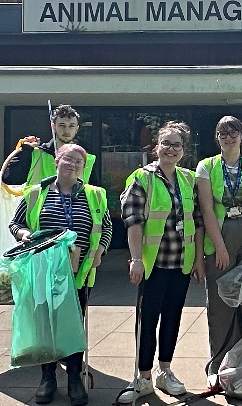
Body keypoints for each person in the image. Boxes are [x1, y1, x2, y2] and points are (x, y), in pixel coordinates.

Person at [9, 144, 112, 406]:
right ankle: (48, 378)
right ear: (57, 160)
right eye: (69, 159)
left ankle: (75, 379)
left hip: (78, 273)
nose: (74, 164)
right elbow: (15, 224)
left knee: (72, 327)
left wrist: (100, 251)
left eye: (79, 161)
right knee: (46, 325)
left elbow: (107, 227)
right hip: (43, 270)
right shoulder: (35, 193)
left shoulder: (96, 195)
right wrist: (24, 235)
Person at [117, 121, 205, 404]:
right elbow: (133, 221)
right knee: (148, 320)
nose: (171, 149)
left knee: (172, 318)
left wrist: (199, 260)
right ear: (156, 147)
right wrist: (136, 260)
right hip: (152, 265)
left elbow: (198, 222)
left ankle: (164, 371)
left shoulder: (189, 179)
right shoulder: (142, 178)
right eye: (166, 143)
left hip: (181, 263)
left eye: (177, 145)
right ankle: (143, 377)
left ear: (183, 150)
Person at [195, 116, 242, 386]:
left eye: (233, 133)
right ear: (217, 138)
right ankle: (218, 364)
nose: (228, 138)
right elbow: (206, 210)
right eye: (223, 133)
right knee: (220, 306)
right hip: (220, 242)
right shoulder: (206, 167)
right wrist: (220, 248)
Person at [2, 104, 98, 186]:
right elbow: (9, 179)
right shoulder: (35, 154)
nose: (66, 130)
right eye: (62, 125)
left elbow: (95, 195)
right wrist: (26, 150)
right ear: (53, 127)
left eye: (71, 126)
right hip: (39, 208)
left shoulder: (87, 160)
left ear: (77, 128)